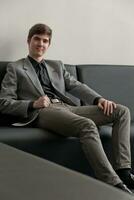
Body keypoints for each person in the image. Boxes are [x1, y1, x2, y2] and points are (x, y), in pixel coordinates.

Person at [0, 23, 133, 194]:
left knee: (122, 111)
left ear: (49, 44)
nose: (41, 44)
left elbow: (76, 86)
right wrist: (33, 104)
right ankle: (112, 182)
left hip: (67, 108)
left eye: (45, 41)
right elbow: (3, 102)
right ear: (29, 41)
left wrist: (98, 99)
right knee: (87, 125)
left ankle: (124, 171)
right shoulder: (15, 68)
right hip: (42, 113)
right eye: (37, 39)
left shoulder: (57, 65)